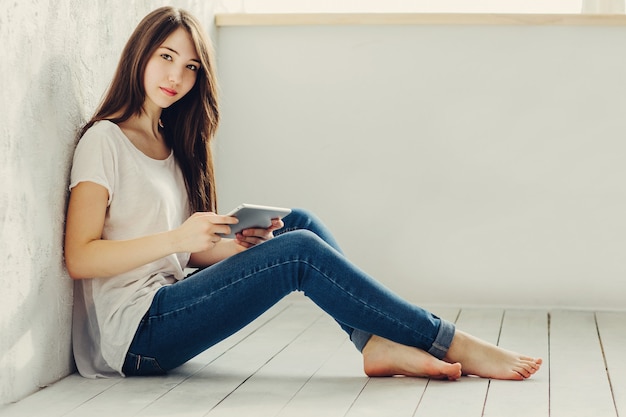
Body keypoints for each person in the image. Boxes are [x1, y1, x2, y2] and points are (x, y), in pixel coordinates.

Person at [64, 6, 542, 381]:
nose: (176, 77)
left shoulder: (172, 145)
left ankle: (372, 343)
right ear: (139, 55)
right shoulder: (103, 141)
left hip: (169, 300)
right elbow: (81, 258)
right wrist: (178, 239)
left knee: (298, 223)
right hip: (134, 337)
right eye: (165, 57)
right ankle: (449, 340)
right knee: (298, 254)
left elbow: (176, 258)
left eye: (190, 66)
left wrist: (232, 246)